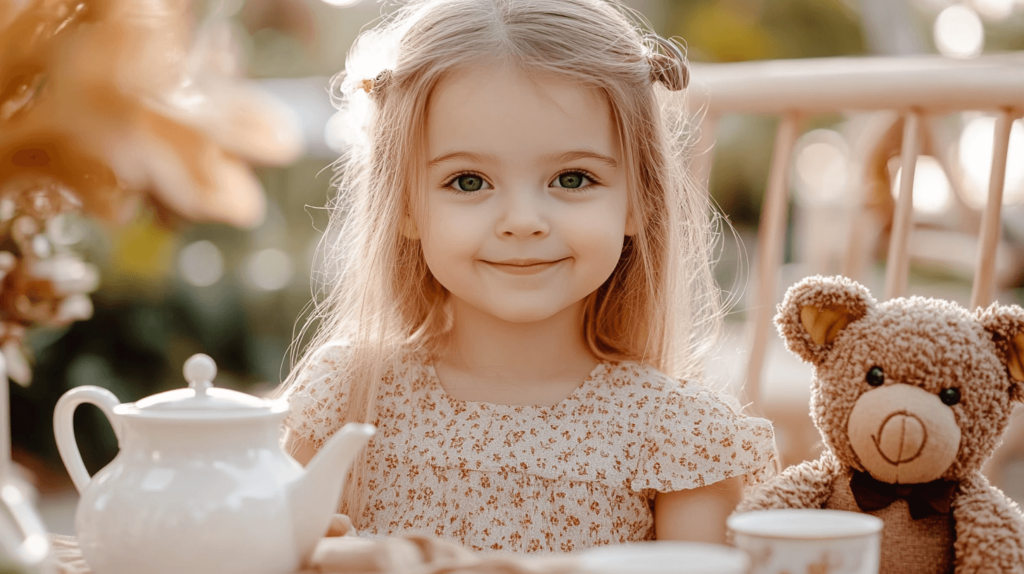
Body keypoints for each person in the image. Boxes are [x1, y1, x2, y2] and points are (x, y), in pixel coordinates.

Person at [278, 0, 775, 554]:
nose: (522, 222)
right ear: (406, 208)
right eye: (468, 182)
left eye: (572, 178)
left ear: (639, 200)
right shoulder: (348, 397)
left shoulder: (680, 434)